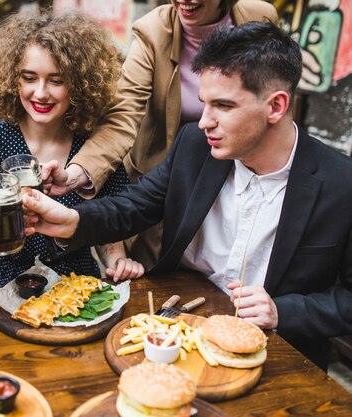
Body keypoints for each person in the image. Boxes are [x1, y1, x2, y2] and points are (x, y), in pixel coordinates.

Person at [22, 22, 352, 369]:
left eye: (223, 106)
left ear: (276, 106)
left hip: (279, 351)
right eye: (204, 104)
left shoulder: (342, 183)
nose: (205, 121)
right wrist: (71, 220)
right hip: (175, 327)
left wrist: (282, 311)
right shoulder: (194, 145)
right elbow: (133, 206)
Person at [42, 0, 277, 269]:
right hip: (168, 178)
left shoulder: (260, 15)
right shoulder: (153, 31)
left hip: (243, 172)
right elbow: (123, 114)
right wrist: (75, 175)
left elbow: (272, 91)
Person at [0, 12, 144, 288]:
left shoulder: (95, 152)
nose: (41, 93)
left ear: (80, 85)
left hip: (80, 291)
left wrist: (118, 263)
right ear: (14, 80)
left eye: (56, 80)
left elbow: (110, 233)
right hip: (4, 292)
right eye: (29, 78)